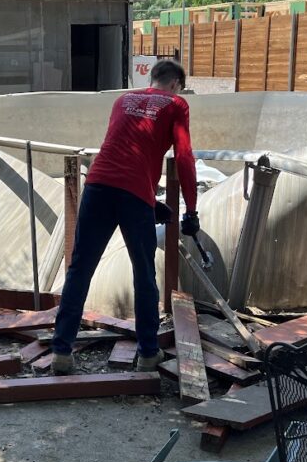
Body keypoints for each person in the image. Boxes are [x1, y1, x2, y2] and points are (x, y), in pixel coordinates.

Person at [51, 59, 199, 374]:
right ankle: (148, 355)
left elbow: (124, 149)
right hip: (132, 195)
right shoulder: (177, 104)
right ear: (175, 84)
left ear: (153, 79)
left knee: (79, 270)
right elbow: (184, 157)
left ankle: (61, 353)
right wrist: (191, 209)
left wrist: (151, 202)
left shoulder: (123, 100)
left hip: (98, 186)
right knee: (144, 274)